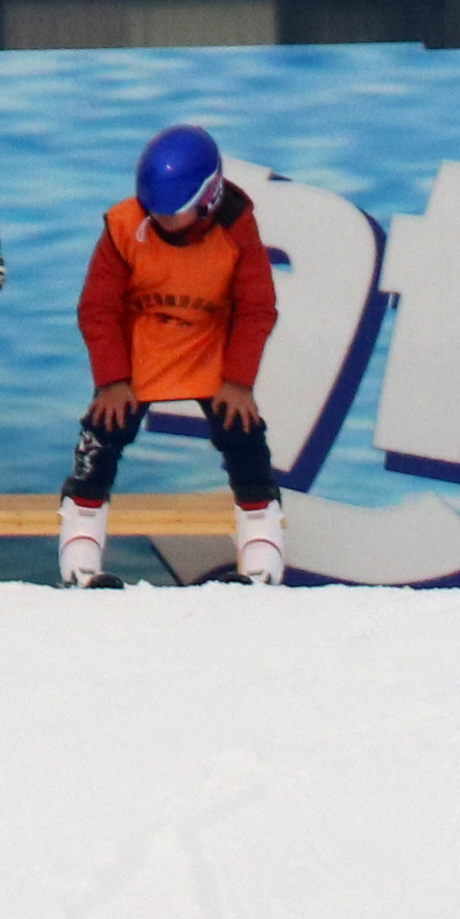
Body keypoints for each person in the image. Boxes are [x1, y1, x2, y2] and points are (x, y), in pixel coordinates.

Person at [63, 124, 285, 590]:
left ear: (208, 198)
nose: (161, 222)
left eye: (174, 213)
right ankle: (80, 547)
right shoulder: (125, 226)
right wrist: (112, 380)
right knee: (102, 433)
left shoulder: (236, 229)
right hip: (142, 345)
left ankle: (261, 548)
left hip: (209, 345)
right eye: (155, 212)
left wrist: (238, 381)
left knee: (243, 434)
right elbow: (97, 308)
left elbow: (257, 307)